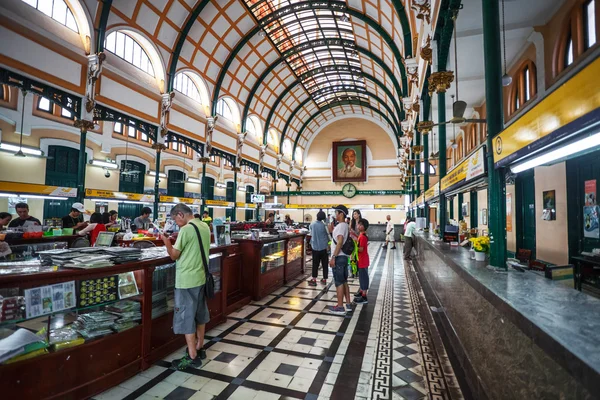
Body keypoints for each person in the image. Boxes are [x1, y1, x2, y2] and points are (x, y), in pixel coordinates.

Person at [161, 203, 211, 370]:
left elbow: (174, 255)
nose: (176, 223)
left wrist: (167, 242)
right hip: (201, 277)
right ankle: (200, 347)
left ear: (181, 214)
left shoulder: (187, 229)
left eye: (176, 220)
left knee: (186, 316)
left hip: (187, 280)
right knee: (200, 313)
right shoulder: (203, 225)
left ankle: (192, 356)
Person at [327, 205, 352, 315]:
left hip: (339, 258)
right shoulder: (344, 225)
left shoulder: (341, 226)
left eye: (336, 212)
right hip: (343, 257)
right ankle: (348, 304)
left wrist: (333, 257)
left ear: (341, 214)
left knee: (339, 282)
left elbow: (340, 241)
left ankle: (340, 306)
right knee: (344, 281)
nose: (335, 214)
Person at [308, 210, 329, 286]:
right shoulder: (324, 225)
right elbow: (328, 234)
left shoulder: (312, 224)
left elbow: (310, 230)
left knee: (315, 264)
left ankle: (314, 279)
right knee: (325, 264)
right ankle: (324, 279)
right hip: (323, 247)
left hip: (315, 247)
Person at [354, 218, 370, 304]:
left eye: (360, 225)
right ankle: (361, 291)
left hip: (363, 261)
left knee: (363, 278)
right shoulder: (361, 235)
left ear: (363, 227)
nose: (358, 226)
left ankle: (364, 296)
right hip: (361, 260)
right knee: (361, 277)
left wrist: (354, 246)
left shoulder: (363, 237)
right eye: (358, 224)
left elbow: (361, 249)